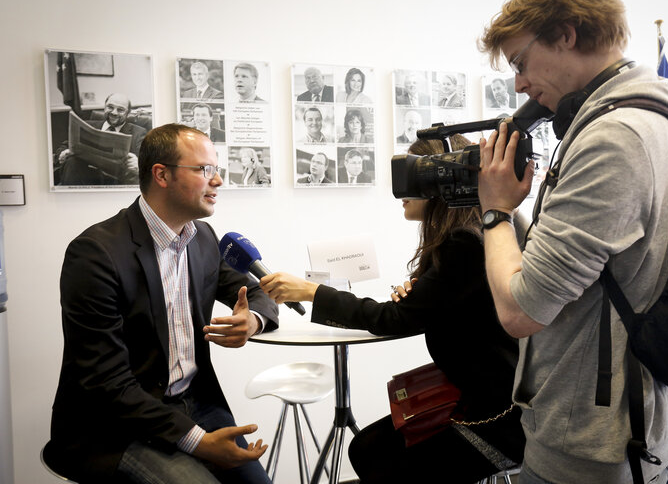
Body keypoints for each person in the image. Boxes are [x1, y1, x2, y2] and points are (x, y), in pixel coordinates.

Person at [475, 0, 668, 483]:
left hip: (592, 448)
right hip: (613, 427)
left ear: (565, 34)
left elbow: (520, 310)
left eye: (519, 62)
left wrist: (494, 213)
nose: (519, 84)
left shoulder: (614, 139)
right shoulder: (646, 117)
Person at [261, 135, 525, 484]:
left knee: (372, 455)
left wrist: (312, 292)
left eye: (410, 174)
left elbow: (393, 319)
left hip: (495, 422)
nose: (399, 188)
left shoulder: (464, 243)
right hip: (489, 402)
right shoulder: (482, 232)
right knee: (366, 449)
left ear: (438, 182)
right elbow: (423, 310)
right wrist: (419, 300)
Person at [48, 123, 279, 484]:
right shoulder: (96, 253)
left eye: (216, 170)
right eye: (205, 170)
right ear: (162, 174)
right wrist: (198, 442)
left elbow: (258, 291)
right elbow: (107, 383)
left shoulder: (200, 236)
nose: (217, 181)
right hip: (117, 423)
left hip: (195, 404)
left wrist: (253, 322)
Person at [56, 93, 144, 185]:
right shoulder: (88, 125)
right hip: (85, 176)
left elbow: (147, 162)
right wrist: (62, 153)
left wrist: (138, 164)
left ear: (128, 113)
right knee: (71, 162)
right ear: (104, 107)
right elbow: (64, 146)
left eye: (120, 110)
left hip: (115, 181)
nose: (114, 112)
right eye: (110, 107)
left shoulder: (138, 133)